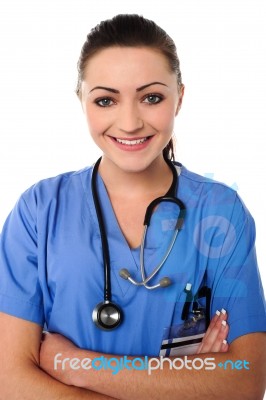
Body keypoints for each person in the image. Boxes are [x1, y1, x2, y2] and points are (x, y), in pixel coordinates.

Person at [0, 14, 265, 400]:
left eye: (151, 97)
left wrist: (76, 365)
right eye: (106, 100)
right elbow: (9, 380)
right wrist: (186, 380)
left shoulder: (221, 212)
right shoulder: (39, 211)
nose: (129, 122)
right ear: (82, 102)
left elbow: (245, 379)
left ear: (180, 98)